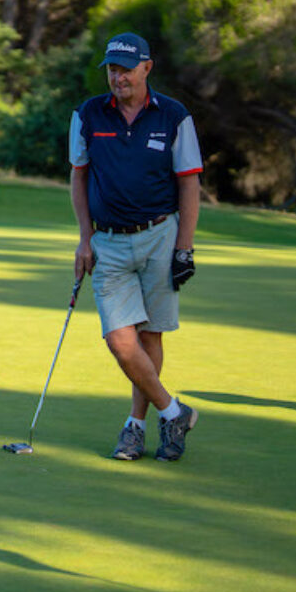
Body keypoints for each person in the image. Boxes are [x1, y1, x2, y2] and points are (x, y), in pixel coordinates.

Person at [69, 33, 203, 462]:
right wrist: (85, 237)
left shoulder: (174, 116)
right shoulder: (88, 114)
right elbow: (79, 176)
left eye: (126, 69)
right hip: (107, 242)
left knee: (150, 335)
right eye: (112, 69)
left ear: (147, 68)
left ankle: (136, 427)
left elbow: (189, 183)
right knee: (119, 339)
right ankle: (174, 412)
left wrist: (184, 249)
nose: (118, 77)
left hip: (160, 236)